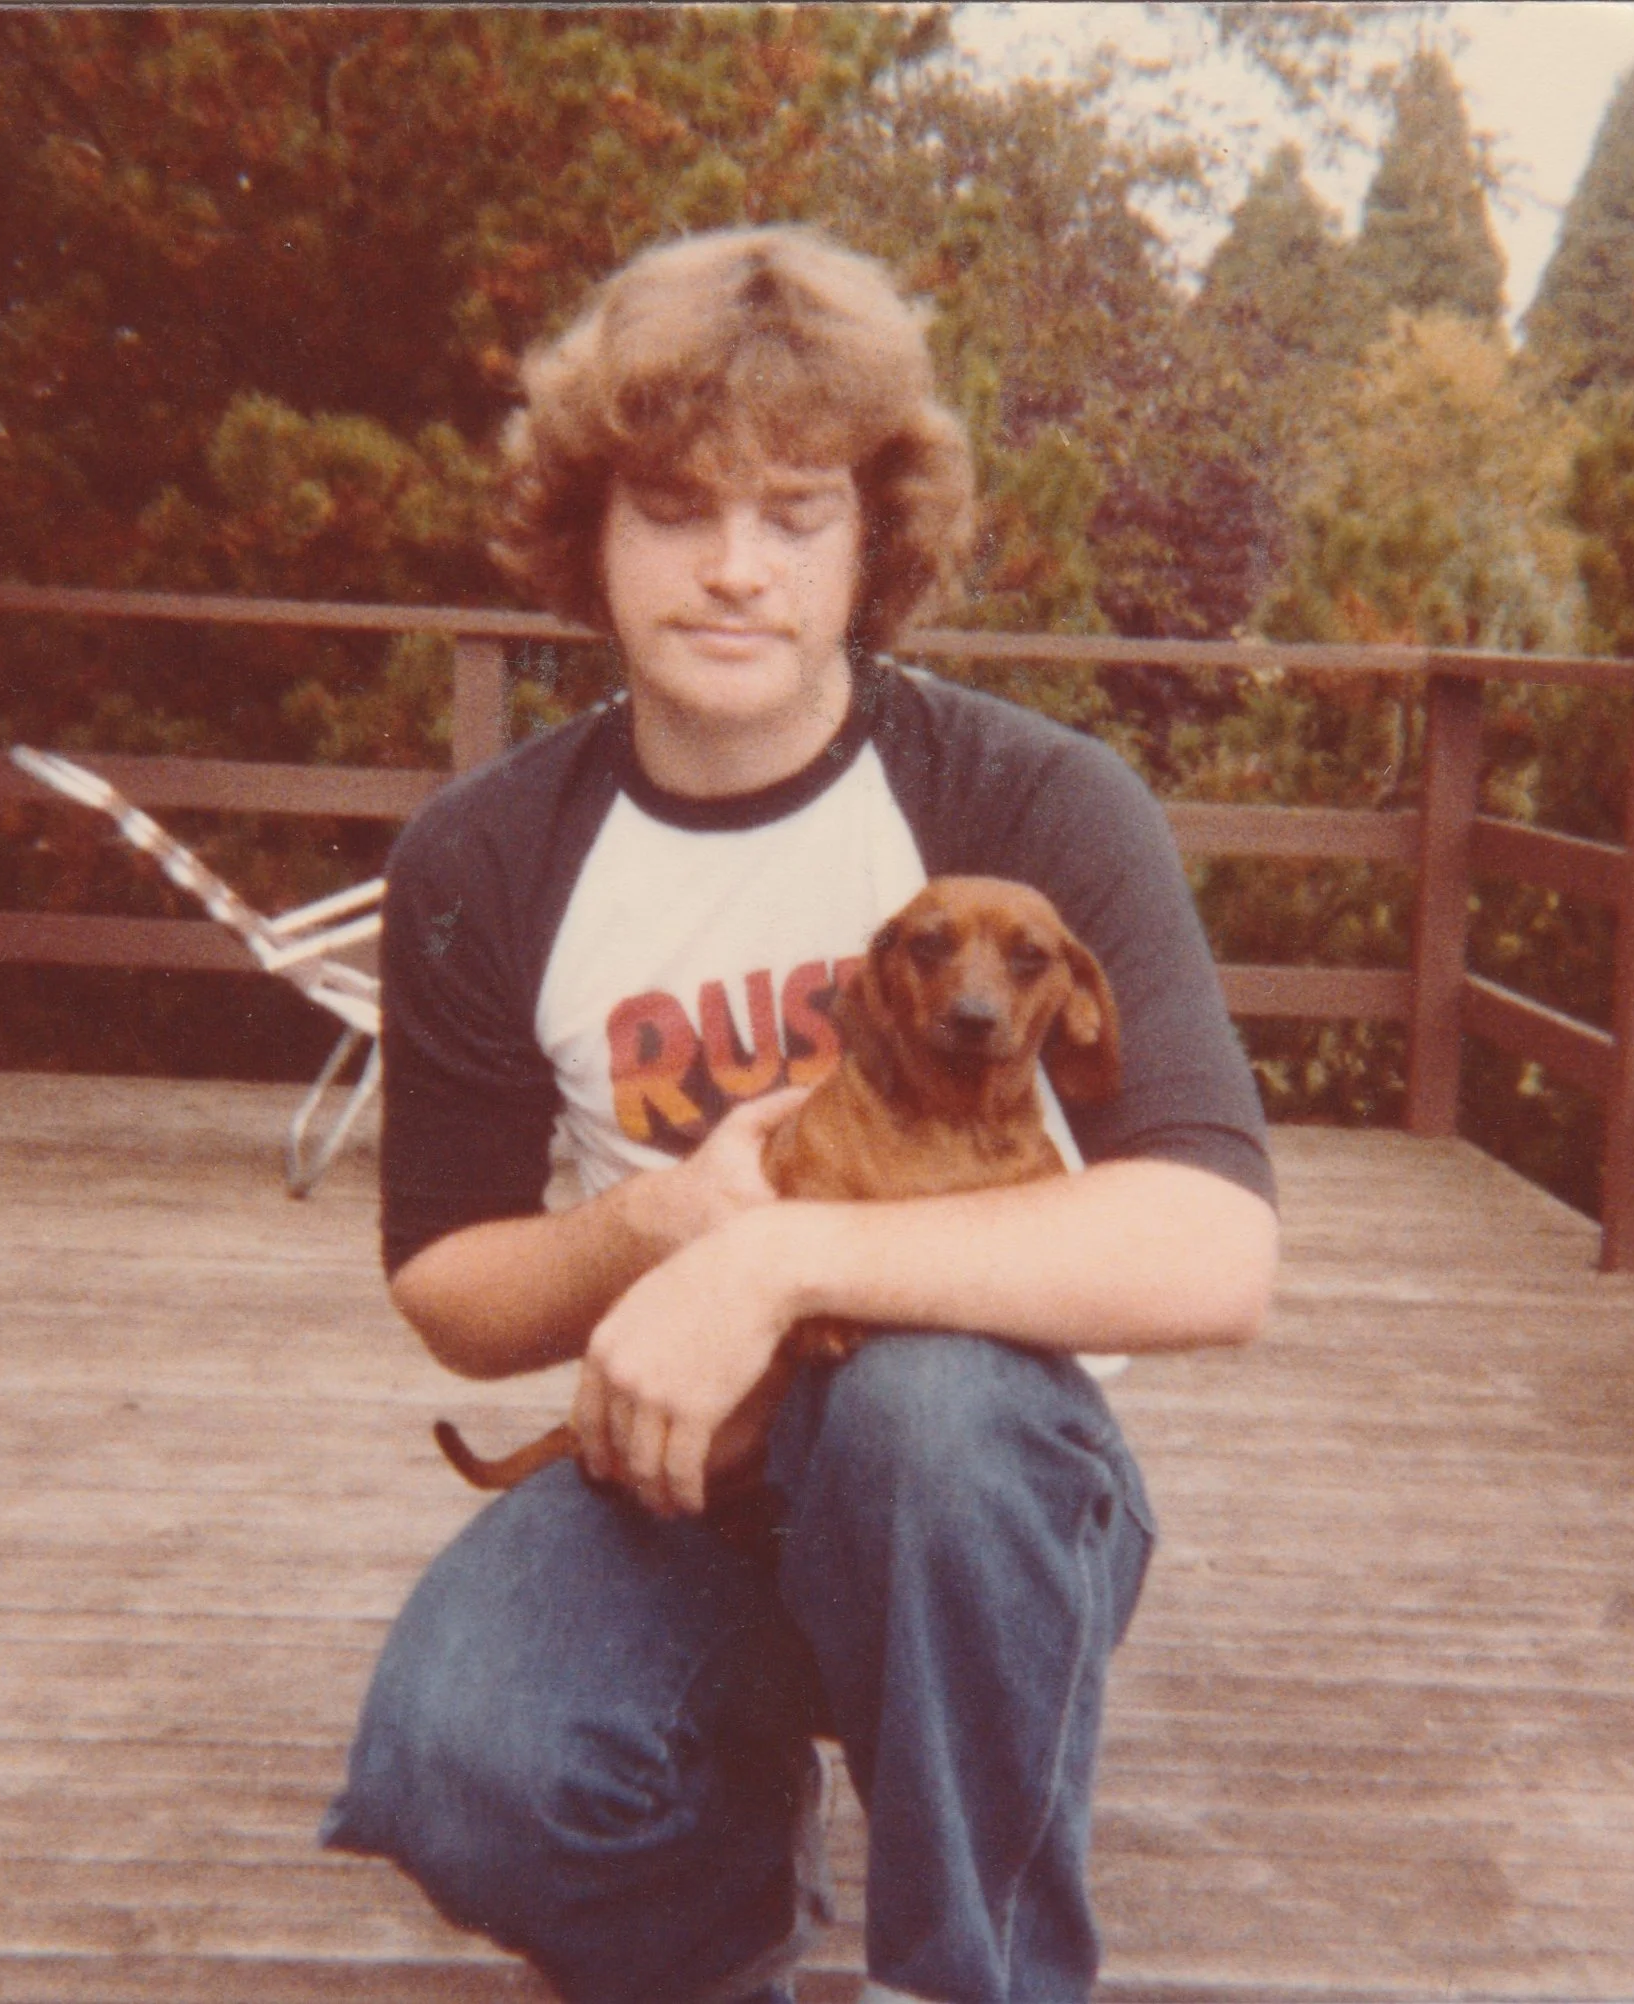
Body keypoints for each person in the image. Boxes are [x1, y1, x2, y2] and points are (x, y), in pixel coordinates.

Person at [321, 224, 1279, 2004]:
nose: (735, 570)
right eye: (678, 508)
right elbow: (448, 1288)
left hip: (982, 1492)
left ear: (875, 543)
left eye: (798, 511)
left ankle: (968, 1978)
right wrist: (652, 1231)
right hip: (682, 1479)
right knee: (463, 1758)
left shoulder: (1030, 800)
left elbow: (1218, 1248)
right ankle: (718, 1924)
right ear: (590, 536)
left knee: (925, 1408)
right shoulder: (487, 854)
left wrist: (776, 1264)